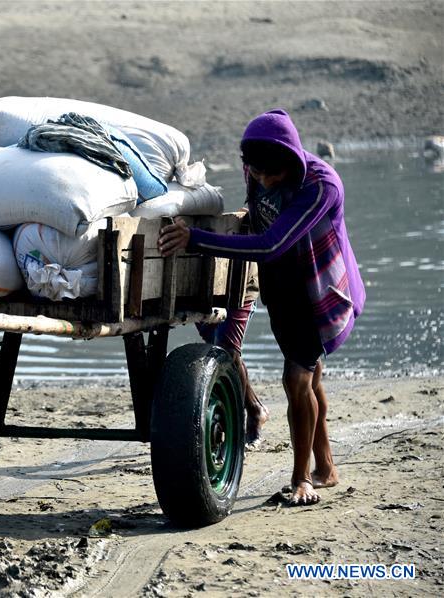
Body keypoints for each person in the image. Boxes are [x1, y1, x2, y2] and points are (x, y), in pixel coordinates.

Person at [159, 109, 365, 506]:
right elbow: (257, 217)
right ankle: (326, 467)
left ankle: (301, 479)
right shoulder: (255, 169)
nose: (265, 181)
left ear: (292, 162)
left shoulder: (321, 186)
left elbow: (271, 244)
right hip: (282, 289)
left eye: (274, 174)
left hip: (318, 291)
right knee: (310, 379)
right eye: (257, 173)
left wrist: (194, 239)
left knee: (297, 380)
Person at [196, 264, 269, 445]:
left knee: (227, 350)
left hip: (242, 281)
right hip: (201, 281)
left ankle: (234, 430)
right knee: (222, 349)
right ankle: (255, 409)